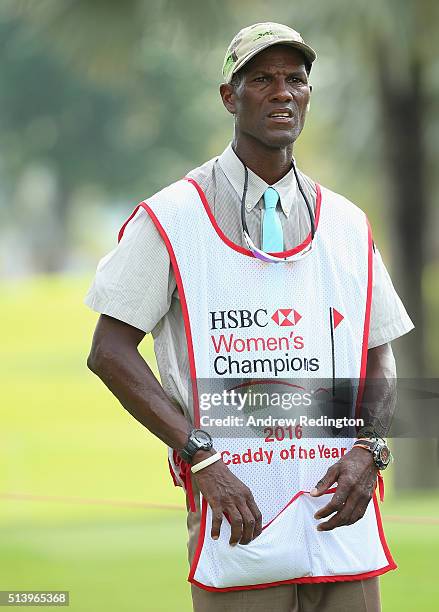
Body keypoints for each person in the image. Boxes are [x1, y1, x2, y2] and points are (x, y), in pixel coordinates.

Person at [85, 22, 414, 612]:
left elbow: (379, 349)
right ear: (228, 96)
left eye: (295, 79)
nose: (282, 92)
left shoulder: (346, 224)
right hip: (237, 516)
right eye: (261, 79)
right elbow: (108, 351)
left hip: (340, 521)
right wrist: (201, 456)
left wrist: (371, 447)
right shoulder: (170, 219)